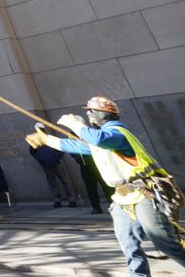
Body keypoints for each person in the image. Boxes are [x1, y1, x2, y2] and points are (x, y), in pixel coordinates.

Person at [27, 96, 185, 277]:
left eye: (91, 111)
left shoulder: (117, 132)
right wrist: (47, 140)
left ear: (104, 113)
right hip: (122, 199)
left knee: (165, 243)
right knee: (128, 243)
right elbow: (80, 146)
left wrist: (74, 124)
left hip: (143, 194)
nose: (88, 114)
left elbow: (97, 140)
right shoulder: (102, 137)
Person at [29, 123, 75, 208]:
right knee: (52, 183)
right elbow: (32, 152)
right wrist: (40, 159)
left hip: (57, 163)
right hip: (46, 165)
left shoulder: (50, 138)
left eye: (41, 129)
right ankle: (57, 200)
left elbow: (60, 148)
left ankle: (72, 200)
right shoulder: (34, 140)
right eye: (38, 129)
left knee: (65, 181)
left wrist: (57, 158)